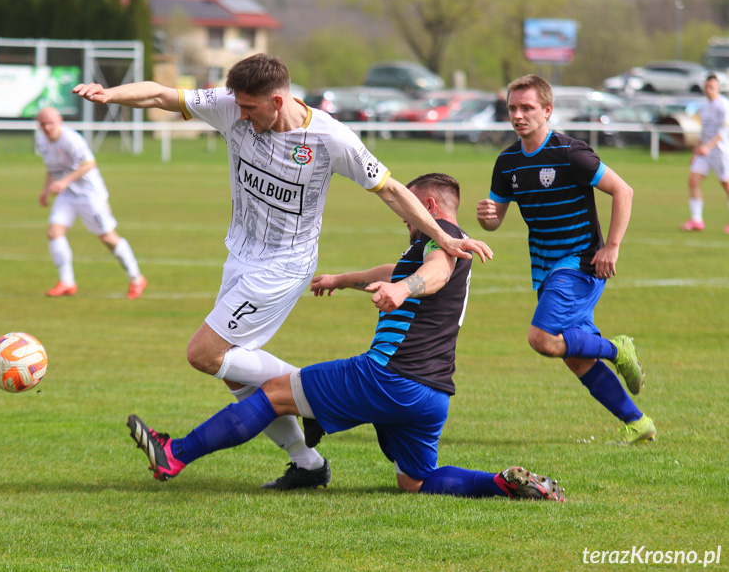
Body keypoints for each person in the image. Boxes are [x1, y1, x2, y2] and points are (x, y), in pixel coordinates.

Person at [73, 53, 493, 489]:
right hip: (239, 254)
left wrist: (442, 238)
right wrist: (110, 95)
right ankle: (307, 462)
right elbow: (161, 94)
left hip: (283, 264)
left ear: (277, 100)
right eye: (237, 105)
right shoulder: (233, 103)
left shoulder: (330, 138)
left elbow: (389, 190)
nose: (240, 116)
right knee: (232, 370)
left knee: (203, 353)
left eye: (249, 108)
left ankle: (308, 398)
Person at [124, 173, 564, 502]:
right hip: (431, 394)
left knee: (275, 393)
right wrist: (342, 278)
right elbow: (393, 271)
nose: (405, 220)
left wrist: (403, 290)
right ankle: (501, 484)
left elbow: (434, 273)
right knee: (415, 481)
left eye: (407, 211)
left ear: (426, 203)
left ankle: (175, 453)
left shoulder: (444, 236)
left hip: (388, 375)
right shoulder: (439, 241)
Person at [476, 74, 656, 445]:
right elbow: (496, 220)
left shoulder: (570, 152)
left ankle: (616, 348)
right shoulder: (507, 161)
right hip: (545, 270)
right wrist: (487, 218)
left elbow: (623, 190)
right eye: (513, 107)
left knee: (542, 339)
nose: (518, 115)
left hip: (579, 263)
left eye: (527, 107)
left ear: (547, 110)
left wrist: (613, 246)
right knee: (574, 356)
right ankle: (639, 423)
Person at [34, 107, 147, 299]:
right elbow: (51, 167)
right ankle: (67, 282)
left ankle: (136, 278)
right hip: (68, 195)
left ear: (59, 120)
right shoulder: (41, 141)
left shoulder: (71, 140)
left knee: (107, 238)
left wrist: (64, 181)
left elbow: (89, 164)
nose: (47, 127)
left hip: (90, 195)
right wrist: (45, 190)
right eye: (43, 124)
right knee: (54, 232)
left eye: (50, 123)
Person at [680, 73, 729, 233]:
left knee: (726, 185)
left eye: (712, 87)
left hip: (720, 151)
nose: (708, 90)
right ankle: (696, 220)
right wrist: (697, 151)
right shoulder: (704, 107)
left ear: (718, 88)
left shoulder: (724, 105)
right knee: (693, 181)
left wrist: (708, 147)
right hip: (705, 151)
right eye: (706, 87)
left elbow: (723, 130)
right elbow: (704, 132)